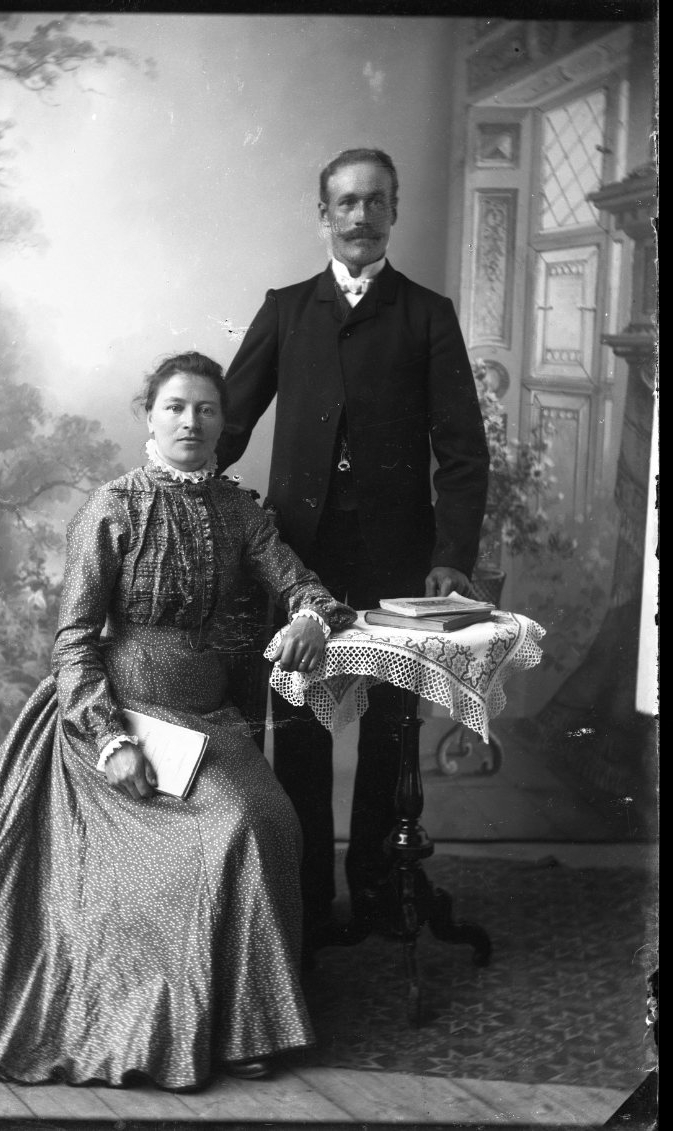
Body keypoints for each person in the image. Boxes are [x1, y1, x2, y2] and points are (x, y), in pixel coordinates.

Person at [0, 351, 356, 1093]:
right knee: (230, 826)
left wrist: (308, 617)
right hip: (122, 716)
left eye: (206, 409)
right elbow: (73, 643)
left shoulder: (238, 511)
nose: (191, 422)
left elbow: (303, 585)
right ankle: (184, 1019)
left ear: (223, 423)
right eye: (176, 407)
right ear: (151, 417)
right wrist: (111, 740)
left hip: (208, 721)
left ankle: (244, 1023)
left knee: (272, 818)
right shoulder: (112, 507)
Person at [216, 147, 490, 948]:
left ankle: (377, 887)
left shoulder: (425, 314)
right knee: (299, 726)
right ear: (323, 215)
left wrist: (451, 553)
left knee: (391, 729)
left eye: (375, 201)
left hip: (398, 558)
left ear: (393, 211)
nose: (361, 216)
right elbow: (229, 423)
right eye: (346, 202)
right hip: (299, 558)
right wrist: (176, 488)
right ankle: (304, 899)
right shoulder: (286, 309)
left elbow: (462, 450)